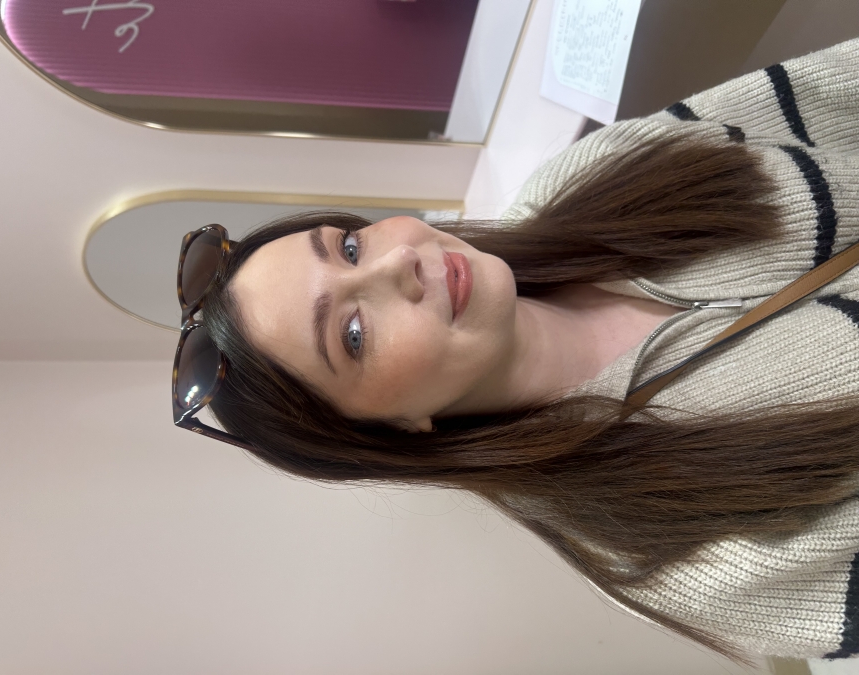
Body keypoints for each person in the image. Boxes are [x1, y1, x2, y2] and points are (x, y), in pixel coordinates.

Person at [177, 39, 859, 660]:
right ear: (392, 431)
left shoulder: (586, 176)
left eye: (350, 247)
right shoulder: (660, 547)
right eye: (353, 334)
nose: (398, 264)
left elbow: (833, 90)